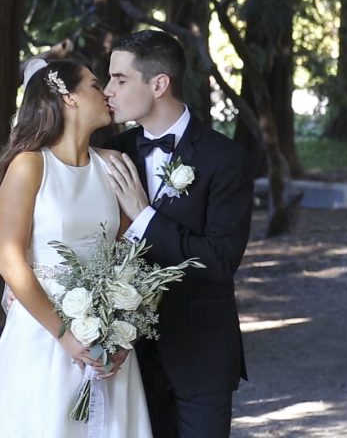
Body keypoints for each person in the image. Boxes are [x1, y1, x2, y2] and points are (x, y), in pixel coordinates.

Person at [0, 59, 152, 437]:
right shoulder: (29, 166)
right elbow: (9, 258)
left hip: (107, 332)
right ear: (68, 98)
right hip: (44, 332)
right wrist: (66, 336)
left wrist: (126, 331)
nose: (106, 92)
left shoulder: (112, 166)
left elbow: (129, 252)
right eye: (94, 84)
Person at [101, 29, 252, 438]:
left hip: (201, 352)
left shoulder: (227, 159)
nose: (107, 90)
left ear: (159, 84)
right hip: (127, 356)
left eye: (119, 79)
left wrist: (145, 217)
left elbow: (220, 261)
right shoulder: (110, 153)